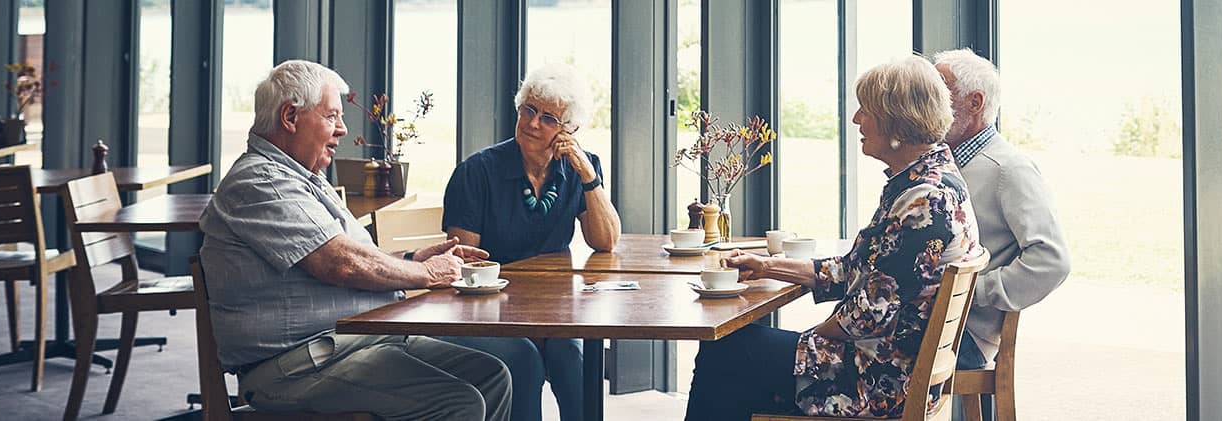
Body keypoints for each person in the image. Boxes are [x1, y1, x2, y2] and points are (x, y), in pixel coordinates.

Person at [199, 59, 513, 420]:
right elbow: (342, 262)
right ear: (290, 116)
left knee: (492, 377)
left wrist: (411, 259)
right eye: (332, 116)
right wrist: (427, 273)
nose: (343, 130)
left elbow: (353, 255)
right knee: (457, 402)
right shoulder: (261, 182)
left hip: (351, 342)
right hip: (295, 366)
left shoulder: (304, 178)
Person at [683, 55, 982, 420]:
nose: (857, 119)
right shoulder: (928, 179)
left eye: (866, 110)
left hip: (879, 382)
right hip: (889, 366)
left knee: (726, 353)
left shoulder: (924, 203)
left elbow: (865, 317)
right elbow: (853, 270)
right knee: (740, 360)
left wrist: (807, 339)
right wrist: (767, 266)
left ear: (898, 123)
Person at [440, 63, 619, 421]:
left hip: (553, 310)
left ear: (571, 130)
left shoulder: (580, 168)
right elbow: (461, 266)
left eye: (549, 118)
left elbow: (607, 241)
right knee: (523, 359)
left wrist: (587, 175)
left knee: (574, 357)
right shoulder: (477, 172)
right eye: (528, 110)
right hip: (488, 311)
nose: (533, 123)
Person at [931, 48, 1072, 420]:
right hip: (937, 330)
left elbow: (1052, 260)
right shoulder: (948, 164)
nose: (926, 102)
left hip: (962, 341)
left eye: (938, 92)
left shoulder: (1008, 169)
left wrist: (971, 294)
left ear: (974, 102)